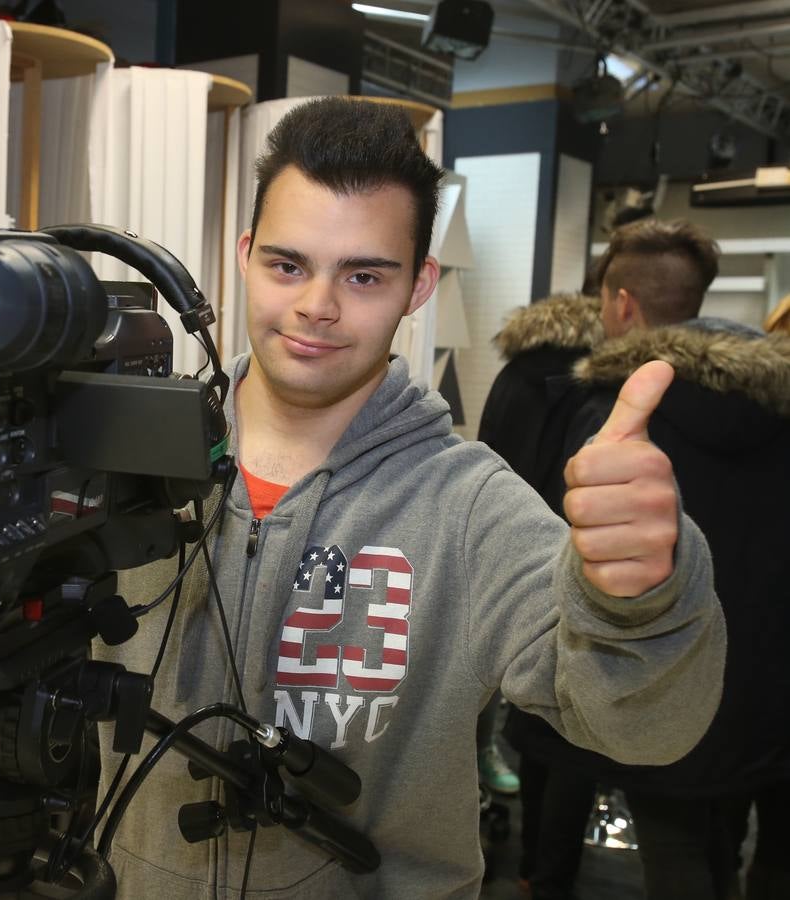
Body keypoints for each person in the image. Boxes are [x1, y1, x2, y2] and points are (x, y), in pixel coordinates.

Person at [90, 98, 726, 899]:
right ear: (245, 255)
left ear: (419, 285)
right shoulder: (125, 465)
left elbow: (645, 728)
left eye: (363, 275)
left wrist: (643, 596)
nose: (318, 305)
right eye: (289, 265)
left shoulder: (469, 509)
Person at [549, 219, 790, 900]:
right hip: (771, 693)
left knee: (678, 863)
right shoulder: (779, 405)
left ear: (623, 304)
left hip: (668, 684)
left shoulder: (611, 421)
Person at [477, 290, 606, 900]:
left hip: (493, 552)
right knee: (567, 727)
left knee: (508, 710)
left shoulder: (511, 375)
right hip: (557, 556)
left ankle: (529, 864)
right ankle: (548, 875)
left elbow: (488, 456)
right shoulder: (589, 385)